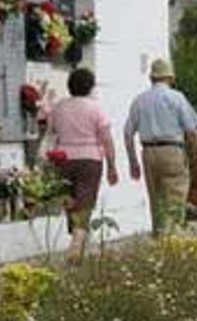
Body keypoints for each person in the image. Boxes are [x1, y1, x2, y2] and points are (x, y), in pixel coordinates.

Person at [125, 58, 197, 236]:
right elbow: (192, 131)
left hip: (148, 153)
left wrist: (133, 162)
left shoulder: (139, 100)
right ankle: (170, 240)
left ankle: (159, 236)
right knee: (175, 200)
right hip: (172, 151)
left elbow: (128, 133)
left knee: (156, 201)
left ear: (151, 78)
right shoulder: (176, 98)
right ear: (170, 78)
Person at [46, 67, 119, 262]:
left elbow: (51, 133)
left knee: (70, 200)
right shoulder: (95, 108)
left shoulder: (59, 107)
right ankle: (77, 244)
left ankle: (78, 242)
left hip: (64, 158)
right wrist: (112, 165)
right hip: (90, 159)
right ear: (90, 87)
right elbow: (107, 139)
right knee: (86, 200)